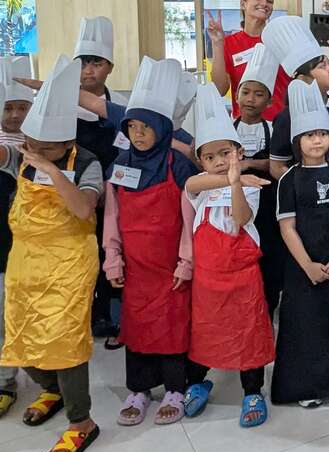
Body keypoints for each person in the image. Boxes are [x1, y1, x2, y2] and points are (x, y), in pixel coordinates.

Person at [0, 57, 103, 452]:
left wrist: (50, 169)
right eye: (32, 145)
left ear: (65, 144)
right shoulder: (19, 154)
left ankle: (82, 421)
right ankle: (52, 390)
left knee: (65, 341)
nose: (35, 153)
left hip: (70, 261)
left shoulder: (87, 164)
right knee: (20, 335)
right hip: (25, 260)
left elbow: (82, 210)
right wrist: (28, 155)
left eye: (45, 149)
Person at [102, 58, 198, 426]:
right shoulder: (120, 165)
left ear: (161, 127)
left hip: (171, 265)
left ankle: (175, 388)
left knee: (173, 329)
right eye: (132, 127)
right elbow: (112, 217)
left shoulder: (177, 164)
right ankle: (139, 390)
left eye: (145, 127)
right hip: (135, 267)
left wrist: (186, 262)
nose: (138, 134)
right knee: (138, 328)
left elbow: (189, 221)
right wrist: (113, 259)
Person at [183, 84, 274, 428]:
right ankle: (197, 382)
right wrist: (231, 177)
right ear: (201, 161)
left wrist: (238, 182)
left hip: (243, 277)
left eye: (226, 153)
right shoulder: (198, 189)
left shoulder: (249, 188)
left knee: (248, 332)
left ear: (238, 151)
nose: (220, 161)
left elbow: (241, 219)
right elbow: (192, 186)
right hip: (208, 279)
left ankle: (252, 391)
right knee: (206, 332)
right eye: (211, 157)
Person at [271, 80, 329, 407]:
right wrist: (307, 264)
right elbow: (287, 226)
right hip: (302, 268)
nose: (317, 140)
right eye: (309, 135)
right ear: (297, 141)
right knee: (304, 326)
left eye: (322, 134)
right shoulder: (288, 179)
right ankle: (304, 388)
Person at [72, 17, 128, 344]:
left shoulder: (119, 106)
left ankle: (109, 316)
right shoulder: (59, 107)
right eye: (83, 63)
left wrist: (112, 186)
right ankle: (80, 317)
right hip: (73, 197)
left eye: (97, 63)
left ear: (109, 67)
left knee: (111, 253)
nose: (89, 70)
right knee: (80, 257)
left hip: (113, 196)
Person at [267, 16, 329, 178]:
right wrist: (304, 187)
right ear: (303, 78)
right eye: (323, 66)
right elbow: (277, 166)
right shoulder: (287, 117)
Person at [234, 43, 284, 318]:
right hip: (237, 207)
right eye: (246, 92)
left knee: (269, 260)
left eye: (258, 94)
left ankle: (266, 307)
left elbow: (279, 163)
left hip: (268, 209)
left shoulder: (275, 128)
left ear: (269, 101)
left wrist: (250, 163)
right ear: (237, 96)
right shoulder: (225, 128)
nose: (251, 99)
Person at [0, 60, 32, 417]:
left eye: (21, 107)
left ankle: (8, 380)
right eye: (8, 107)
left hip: (18, 245)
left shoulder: (28, 148)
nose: (13, 115)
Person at [206, 0, 288, 120]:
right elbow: (220, 89)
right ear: (243, 4)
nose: (264, 3)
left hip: (281, 124)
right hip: (245, 125)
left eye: (269, 1)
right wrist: (217, 44)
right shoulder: (228, 43)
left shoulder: (283, 41)